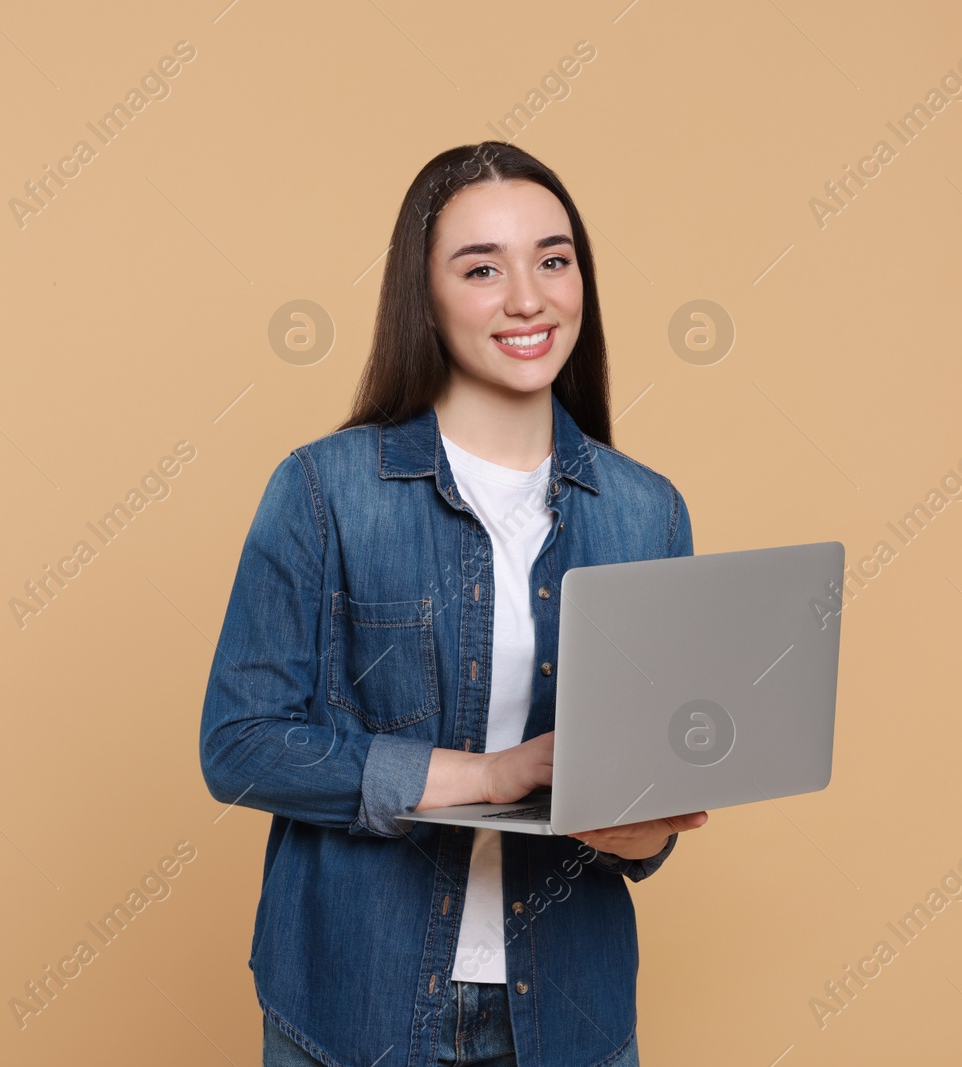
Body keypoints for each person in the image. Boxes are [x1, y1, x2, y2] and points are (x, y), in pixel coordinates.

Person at [200, 141, 708, 1067]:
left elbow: (645, 809)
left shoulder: (648, 512)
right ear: (422, 297)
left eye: (554, 259)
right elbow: (240, 747)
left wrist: (640, 834)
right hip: (353, 1005)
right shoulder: (325, 490)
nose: (529, 298)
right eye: (483, 269)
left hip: (569, 1015)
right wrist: (492, 774)